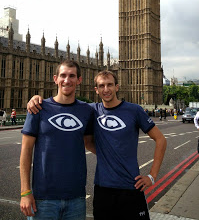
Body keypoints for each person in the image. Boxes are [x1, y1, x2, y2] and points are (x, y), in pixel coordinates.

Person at [28, 70, 167, 220]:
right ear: (96, 90)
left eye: (109, 85)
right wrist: (36, 99)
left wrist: (152, 176)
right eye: (102, 86)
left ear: (117, 87)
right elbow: (86, 140)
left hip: (131, 187)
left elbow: (161, 140)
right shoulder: (91, 110)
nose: (106, 89)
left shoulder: (134, 110)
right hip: (103, 189)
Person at [20, 60, 94, 220]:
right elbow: (26, 150)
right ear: (55, 78)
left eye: (72, 76)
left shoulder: (87, 110)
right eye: (63, 75)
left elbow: (91, 143)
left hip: (76, 198)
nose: (67, 80)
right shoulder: (38, 108)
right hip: (43, 199)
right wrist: (25, 192)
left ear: (79, 80)